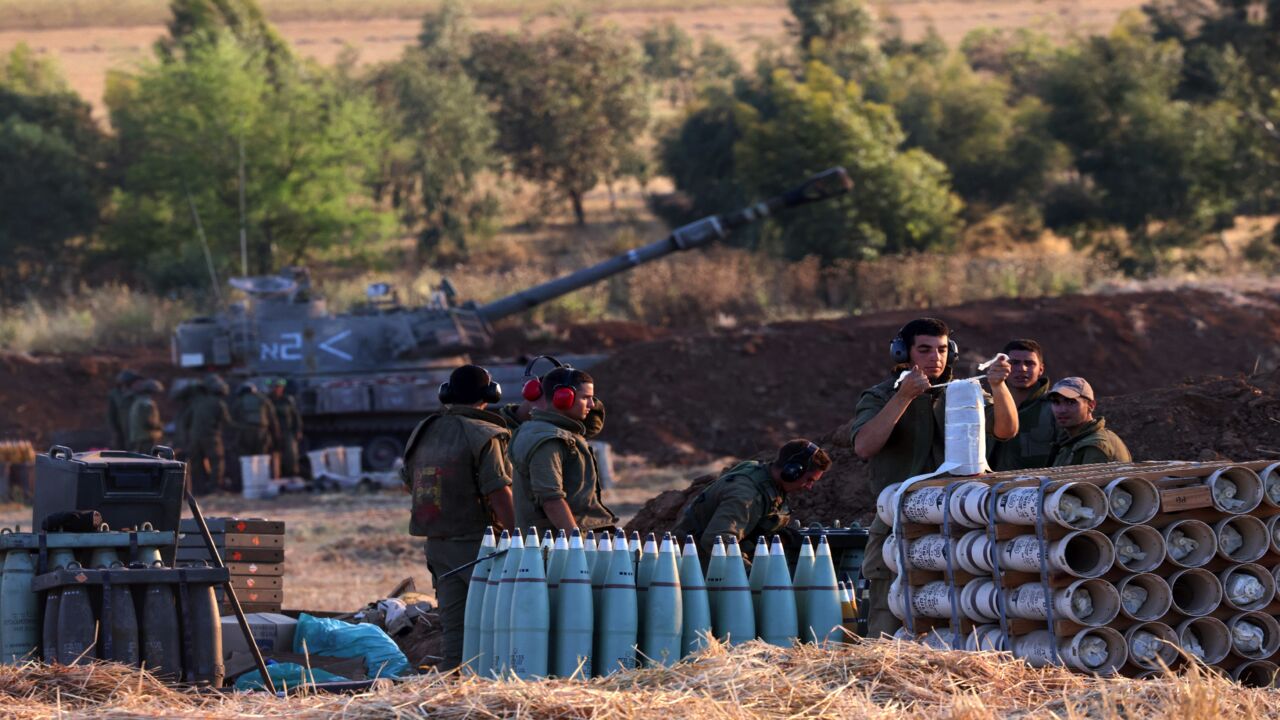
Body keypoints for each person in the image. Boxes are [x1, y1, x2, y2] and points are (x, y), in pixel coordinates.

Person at [848, 318, 1018, 638]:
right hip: (896, 523)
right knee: (888, 621)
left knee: (955, 617)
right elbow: (864, 446)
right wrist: (904, 397)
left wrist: (998, 386)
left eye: (941, 350)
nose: (934, 358)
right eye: (924, 350)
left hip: (955, 523)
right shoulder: (881, 396)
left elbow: (1007, 430)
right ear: (903, 353)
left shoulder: (964, 394)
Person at [401, 364, 515, 671]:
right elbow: (498, 491)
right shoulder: (485, 434)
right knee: (497, 622)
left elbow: (408, 481)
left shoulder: (423, 430)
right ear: (491, 394)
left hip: (437, 545)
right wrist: (519, 536)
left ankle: (454, 682)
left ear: (447, 393)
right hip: (478, 545)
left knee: (455, 627)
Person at [672, 439, 832, 564]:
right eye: (809, 480)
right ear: (792, 472)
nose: (810, 487)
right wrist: (754, 575)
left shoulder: (762, 476)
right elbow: (717, 542)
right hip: (699, 570)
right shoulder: (746, 495)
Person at [510, 367, 618, 534]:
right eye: (586, 398)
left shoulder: (547, 430)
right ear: (564, 398)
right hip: (556, 546)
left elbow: (593, 425)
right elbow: (551, 501)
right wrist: (576, 545)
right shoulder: (548, 440)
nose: (591, 404)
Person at [496, 356, 607, 439]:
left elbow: (594, 425)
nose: (559, 406)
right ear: (533, 393)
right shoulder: (498, 433)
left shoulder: (551, 430)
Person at [989, 339, 1056, 470]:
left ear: (1041, 369)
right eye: (1014, 363)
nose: (1022, 369)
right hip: (990, 487)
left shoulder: (1055, 408)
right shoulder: (988, 407)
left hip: (1037, 487)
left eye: (1029, 363)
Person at [1048, 377, 1132, 466]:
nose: (1062, 410)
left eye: (1071, 402)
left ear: (1091, 405)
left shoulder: (1095, 446)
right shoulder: (1071, 439)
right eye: (1056, 402)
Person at [187, 374, 234, 493]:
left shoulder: (197, 401)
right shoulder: (219, 403)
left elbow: (187, 419)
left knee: (197, 463)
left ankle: (199, 489)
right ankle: (214, 488)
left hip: (195, 437)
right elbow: (227, 423)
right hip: (211, 437)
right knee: (217, 462)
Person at [269, 379, 304, 477]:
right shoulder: (267, 400)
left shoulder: (287, 400)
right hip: (272, 432)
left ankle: (292, 473)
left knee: (290, 454)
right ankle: (275, 475)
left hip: (287, 430)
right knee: (273, 454)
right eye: (275, 387)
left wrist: (298, 430)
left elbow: (295, 416)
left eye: (279, 387)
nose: (277, 389)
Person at [127, 379, 165, 453]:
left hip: (139, 438)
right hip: (147, 439)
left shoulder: (138, 401)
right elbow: (148, 423)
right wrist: (161, 426)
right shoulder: (147, 403)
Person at [107, 370, 141, 449]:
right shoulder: (115, 394)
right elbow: (111, 415)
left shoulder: (137, 394)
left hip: (134, 428)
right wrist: (114, 431)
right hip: (121, 428)